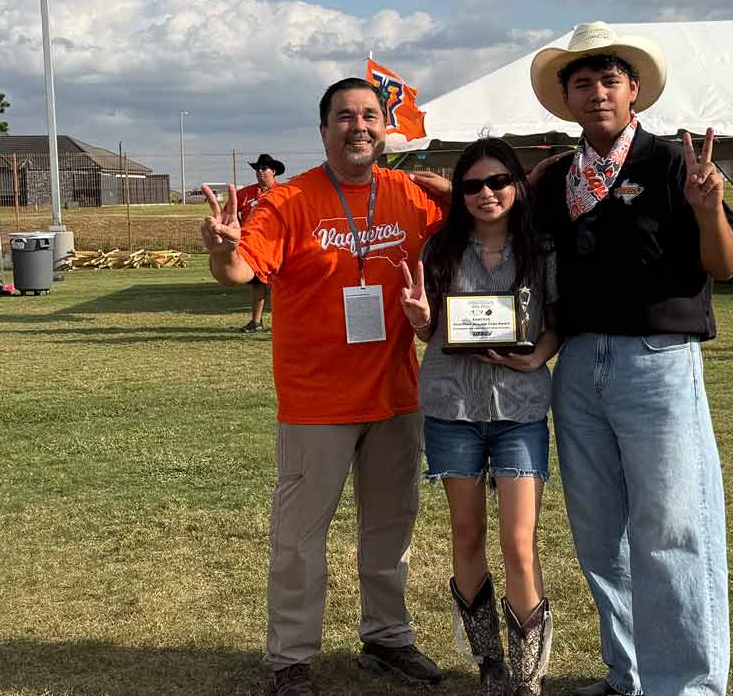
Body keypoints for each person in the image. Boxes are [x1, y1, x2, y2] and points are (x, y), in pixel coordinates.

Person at [199, 77, 451, 696]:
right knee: (299, 538)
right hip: (317, 403)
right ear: (323, 130)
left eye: (369, 116)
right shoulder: (289, 201)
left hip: (396, 395)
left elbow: (485, 233)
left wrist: (463, 189)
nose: (359, 126)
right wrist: (221, 249)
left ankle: (387, 638)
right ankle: (290, 656)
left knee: (392, 527)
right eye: (344, 117)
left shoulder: (411, 197)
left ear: (384, 128)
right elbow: (238, 270)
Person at [528, 22, 733, 696]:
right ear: (566, 98)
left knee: (672, 526)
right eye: (582, 82)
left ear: (635, 92)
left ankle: (686, 685)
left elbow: (727, 267)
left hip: (657, 360)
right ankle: (629, 672)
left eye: (609, 80)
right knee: (599, 532)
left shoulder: (673, 163)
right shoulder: (553, 178)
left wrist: (710, 213)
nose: (596, 92)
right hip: (580, 364)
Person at [398, 137, 559, 696]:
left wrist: (538, 353)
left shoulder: (541, 249)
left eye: (497, 182)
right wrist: (420, 318)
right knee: (467, 534)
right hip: (453, 410)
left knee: (519, 543)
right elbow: (429, 330)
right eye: (472, 185)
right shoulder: (438, 250)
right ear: (459, 194)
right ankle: (489, 663)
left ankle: (528, 674)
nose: (486, 194)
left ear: (515, 184)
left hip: (520, 411)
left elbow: (560, 316)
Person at [235, 153, 285, 332]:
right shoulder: (246, 194)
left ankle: (283, 321)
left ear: (274, 172)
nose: (260, 172)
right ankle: (256, 322)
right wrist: (239, 229)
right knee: (257, 283)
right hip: (254, 248)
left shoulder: (284, 193)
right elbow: (230, 211)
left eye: (264, 168)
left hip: (278, 246)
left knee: (281, 285)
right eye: (258, 169)